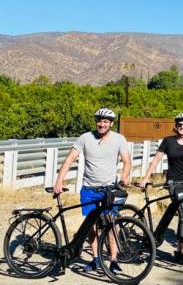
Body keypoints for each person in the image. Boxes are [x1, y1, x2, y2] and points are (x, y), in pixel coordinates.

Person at [53, 107, 131, 273]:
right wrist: (59, 181)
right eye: (99, 121)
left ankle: (113, 260)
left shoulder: (119, 139)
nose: (101, 124)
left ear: (111, 123)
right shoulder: (85, 138)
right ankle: (95, 259)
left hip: (109, 189)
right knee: (91, 226)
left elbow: (127, 161)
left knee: (111, 223)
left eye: (105, 121)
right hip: (89, 189)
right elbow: (69, 159)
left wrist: (124, 177)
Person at [140, 112, 183, 267]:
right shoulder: (168, 141)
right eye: (179, 124)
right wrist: (146, 178)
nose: (182, 127)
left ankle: (179, 251)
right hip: (174, 183)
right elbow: (155, 160)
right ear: (175, 125)